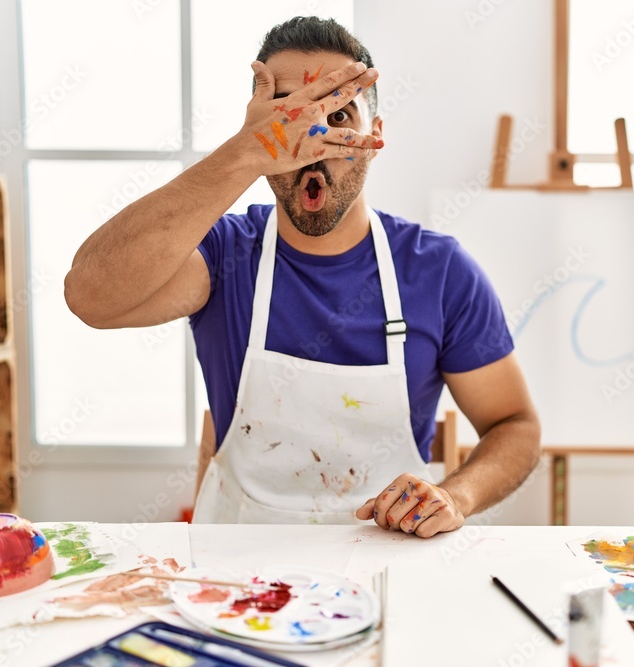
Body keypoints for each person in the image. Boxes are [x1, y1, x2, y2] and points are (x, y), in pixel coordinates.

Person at [64, 16, 540, 537]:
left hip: (388, 562)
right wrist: (246, 152)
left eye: (337, 115)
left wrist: (455, 495)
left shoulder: (440, 271)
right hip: (236, 573)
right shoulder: (224, 255)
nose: (311, 142)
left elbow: (515, 427)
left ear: (374, 135)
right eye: (287, 119)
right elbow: (89, 296)